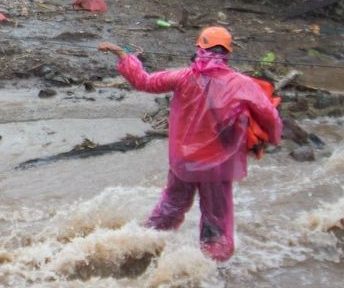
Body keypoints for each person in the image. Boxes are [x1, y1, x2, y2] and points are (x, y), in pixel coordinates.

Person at [98, 27, 282, 261]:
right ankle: (211, 267)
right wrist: (273, 138)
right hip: (217, 166)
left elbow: (144, 81)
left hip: (183, 163)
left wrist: (123, 55)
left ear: (199, 48)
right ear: (227, 52)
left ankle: (143, 249)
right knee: (216, 219)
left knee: (170, 208)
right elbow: (269, 115)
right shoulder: (241, 83)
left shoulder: (183, 77)